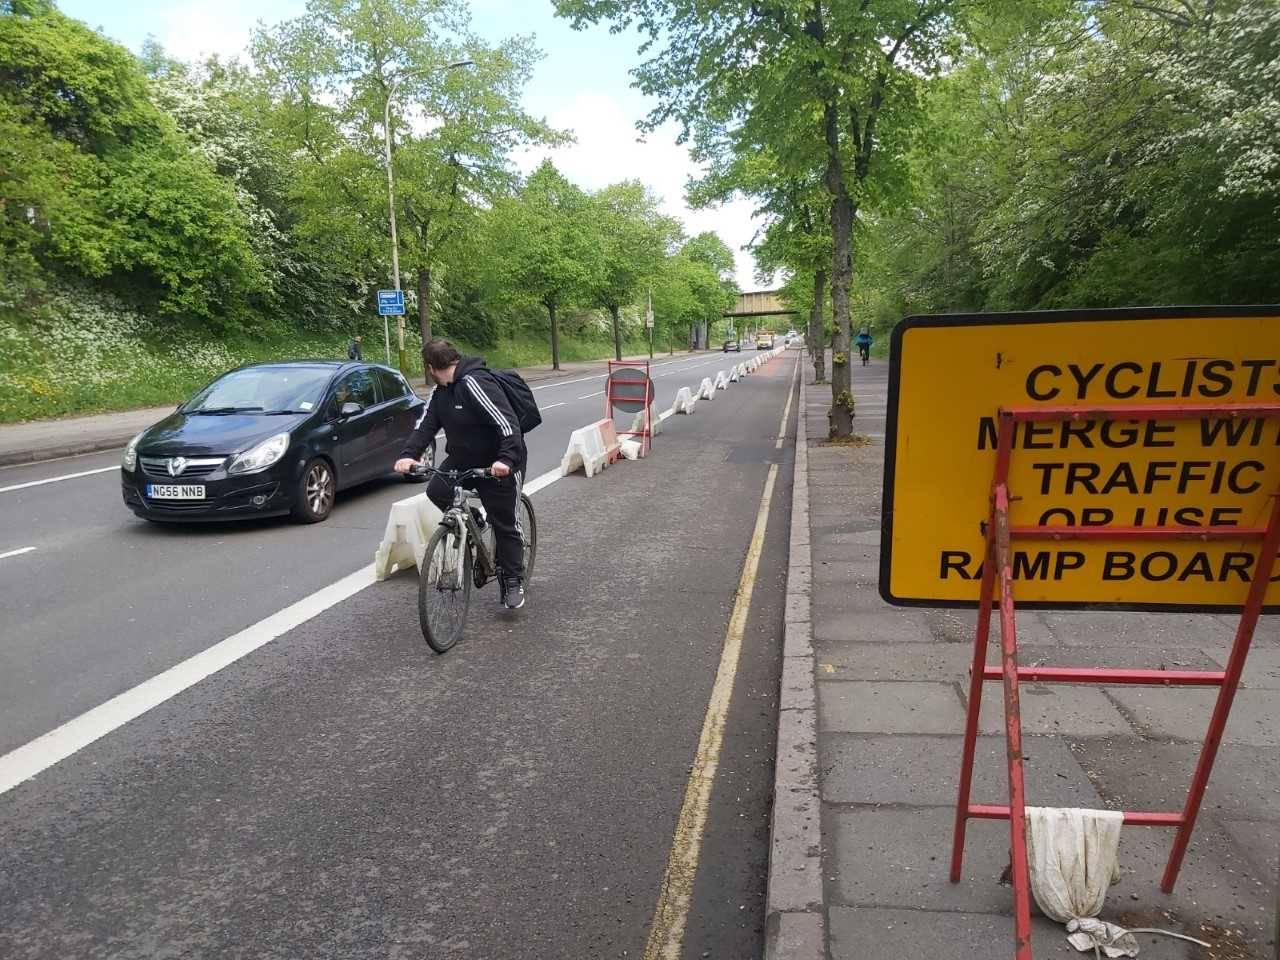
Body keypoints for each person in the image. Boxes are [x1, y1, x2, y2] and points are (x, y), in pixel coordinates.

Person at [394, 338, 528, 609]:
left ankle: (513, 580)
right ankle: (475, 521)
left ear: (431, 368)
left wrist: (505, 459)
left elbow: (508, 425)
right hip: (463, 459)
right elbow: (426, 426)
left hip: (498, 461)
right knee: (437, 490)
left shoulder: (475, 384)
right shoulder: (441, 393)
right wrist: (409, 454)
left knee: (504, 521)